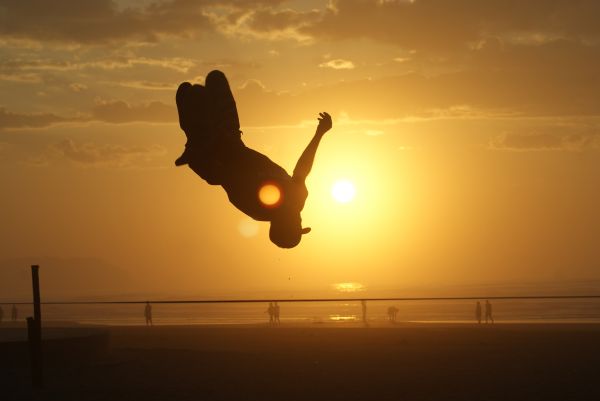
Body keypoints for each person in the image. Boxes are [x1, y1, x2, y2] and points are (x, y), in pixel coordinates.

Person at [175, 70, 333, 248]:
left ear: (283, 224)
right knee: (216, 78)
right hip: (232, 140)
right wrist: (320, 133)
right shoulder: (297, 200)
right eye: (300, 223)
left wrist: (202, 151)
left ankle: (196, 137)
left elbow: (226, 178)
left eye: (297, 224)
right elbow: (302, 170)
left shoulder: (257, 208)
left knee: (190, 93)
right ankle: (200, 133)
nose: (299, 218)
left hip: (213, 157)